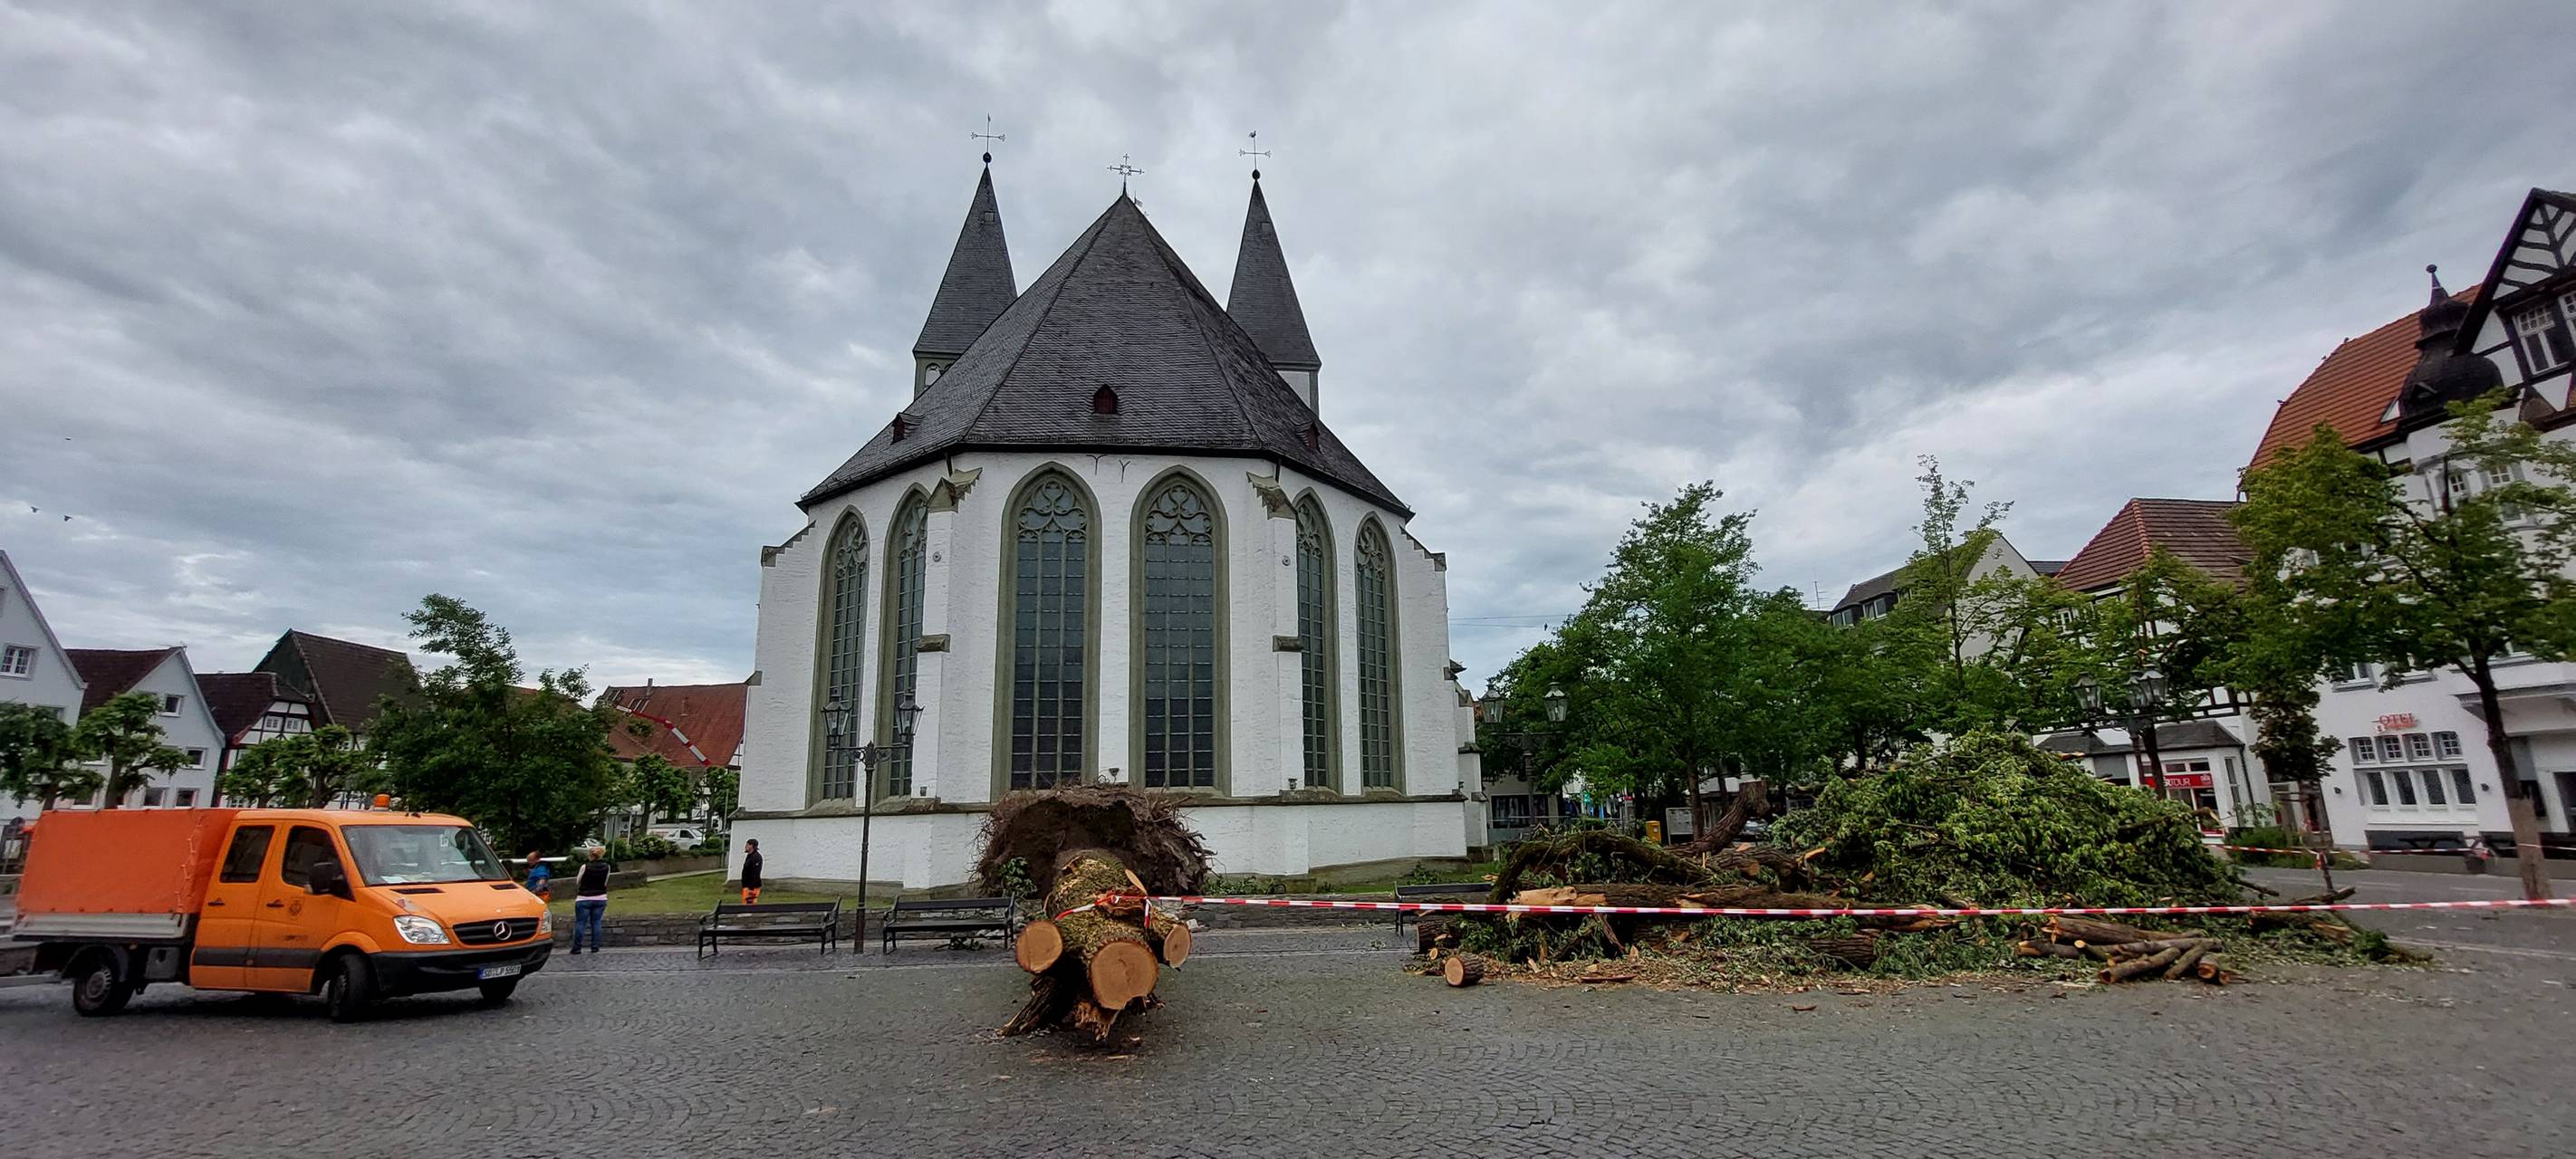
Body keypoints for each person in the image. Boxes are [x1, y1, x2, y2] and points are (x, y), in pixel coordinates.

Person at [570, 846, 610, 954]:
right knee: (596, 922)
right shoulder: (607, 867)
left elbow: (578, 881)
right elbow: (605, 882)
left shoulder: (585, 867)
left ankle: (577, 948)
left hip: (584, 897)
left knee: (581, 923)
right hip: (600, 897)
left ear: (590, 855)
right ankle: (595, 946)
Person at [739, 838, 763, 905]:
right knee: (745, 903)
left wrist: (751, 886)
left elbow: (756, 873)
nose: (745, 846)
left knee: (750, 904)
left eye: (747, 845)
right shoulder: (749, 856)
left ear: (751, 846)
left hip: (752, 886)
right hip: (746, 885)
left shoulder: (756, 857)